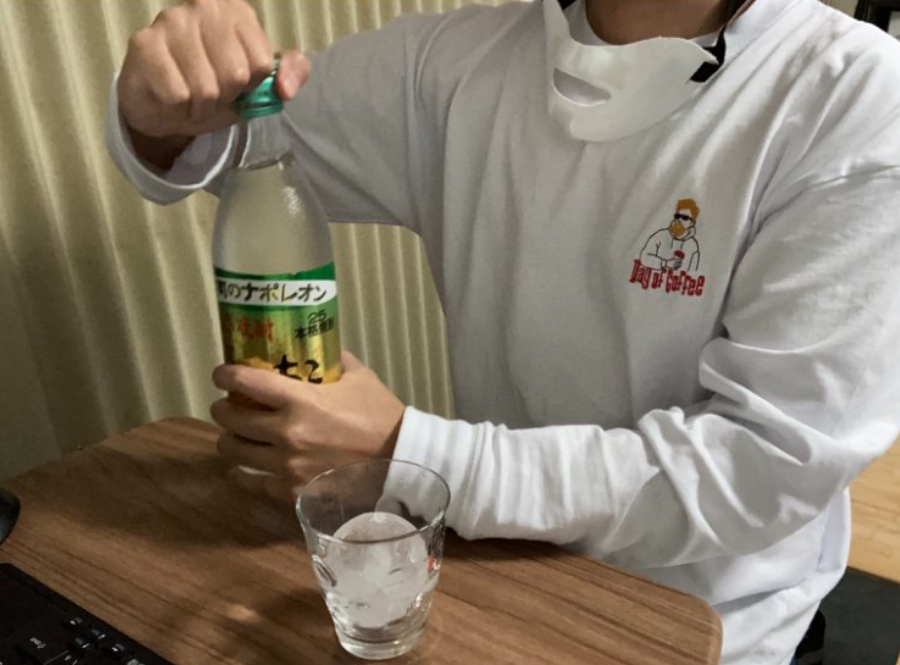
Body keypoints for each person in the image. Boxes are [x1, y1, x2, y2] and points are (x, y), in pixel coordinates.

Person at [106, 0, 900, 663]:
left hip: (706, 620)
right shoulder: (455, 62)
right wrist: (163, 106)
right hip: (498, 565)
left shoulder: (850, 97)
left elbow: (761, 466)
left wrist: (406, 450)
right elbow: (235, 140)